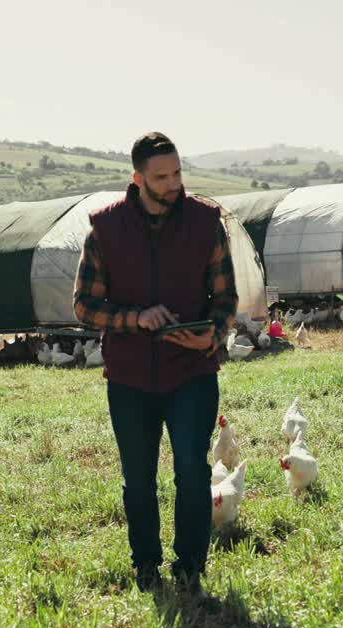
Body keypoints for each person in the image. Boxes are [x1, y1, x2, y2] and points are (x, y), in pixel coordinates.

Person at [73, 131, 238, 598]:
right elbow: (84, 305)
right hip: (130, 376)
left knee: (192, 469)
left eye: (178, 173)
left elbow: (225, 296)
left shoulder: (207, 223)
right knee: (138, 479)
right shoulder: (105, 229)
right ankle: (146, 569)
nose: (173, 184)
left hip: (193, 371)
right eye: (161, 177)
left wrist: (215, 331)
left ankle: (190, 569)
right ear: (138, 178)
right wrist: (136, 318)